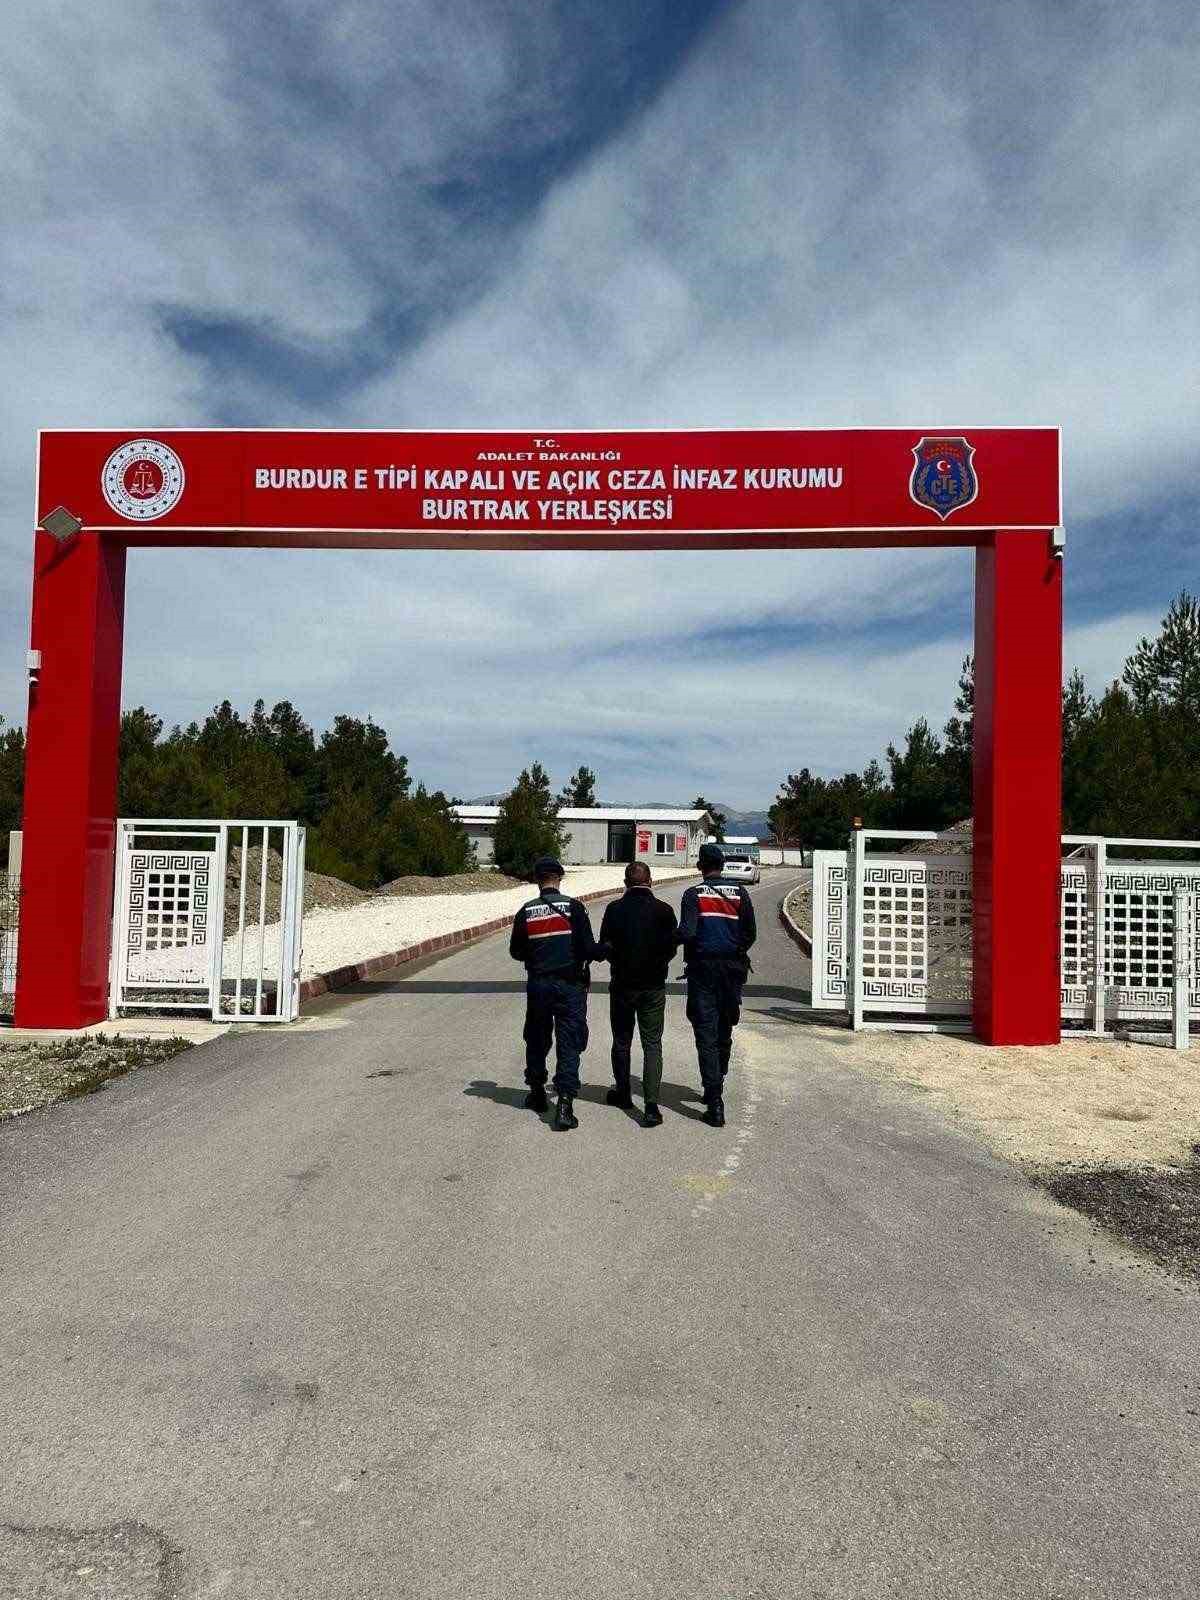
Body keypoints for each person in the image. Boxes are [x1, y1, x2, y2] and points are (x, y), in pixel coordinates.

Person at [508, 855, 601, 1131]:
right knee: (569, 1041)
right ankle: (565, 1104)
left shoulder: (526, 911)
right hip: (570, 985)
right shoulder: (574, 907)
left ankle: (537, 1092)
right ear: (559, 878)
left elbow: (516, 951)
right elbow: (587, 948)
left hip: (539, 985)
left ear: (538, 880)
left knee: (536, 1038)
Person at [677, 842, 757, 1128]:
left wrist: (666, 940)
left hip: (703, 971)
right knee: (724, 1028)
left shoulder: (693, 894)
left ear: (700, 867)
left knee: (705, 1033)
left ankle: (714, 1099)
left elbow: (687, 932)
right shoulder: (740, 893)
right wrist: (735, 950)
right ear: (722, 866)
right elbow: (750, 933)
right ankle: (718, 1078)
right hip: (732, 970)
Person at [597, 861, 679, 1127]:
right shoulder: (664, 911)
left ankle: (623, 1093)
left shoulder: (614, 910)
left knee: (622, 1041)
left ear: (625, 883)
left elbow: (605, 947)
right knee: (652, 1044)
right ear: (651, 881)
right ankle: (652, 1106)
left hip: (622, 985)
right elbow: (671, 948)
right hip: (653, 986)